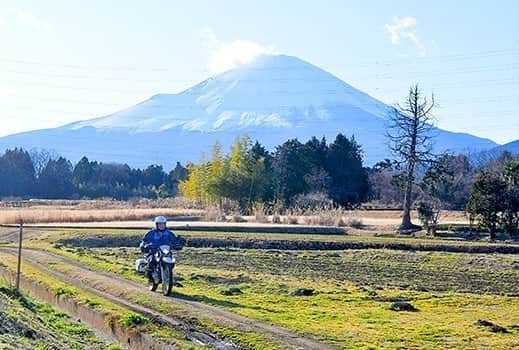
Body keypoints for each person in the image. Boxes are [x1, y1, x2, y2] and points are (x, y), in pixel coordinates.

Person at [139, 216, 183, 284]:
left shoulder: (169, 233)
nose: (161, 226)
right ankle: (150, 276)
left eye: (163, 224)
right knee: (152, 260)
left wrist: (179, 244)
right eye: (160, 224)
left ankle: (168, 274)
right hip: (154, 251)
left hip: (166, 251)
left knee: (171, 261)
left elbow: (175, 241)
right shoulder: (151, 233)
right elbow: (144, 241)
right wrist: (144, 246)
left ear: (165, 224)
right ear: (156, 224)